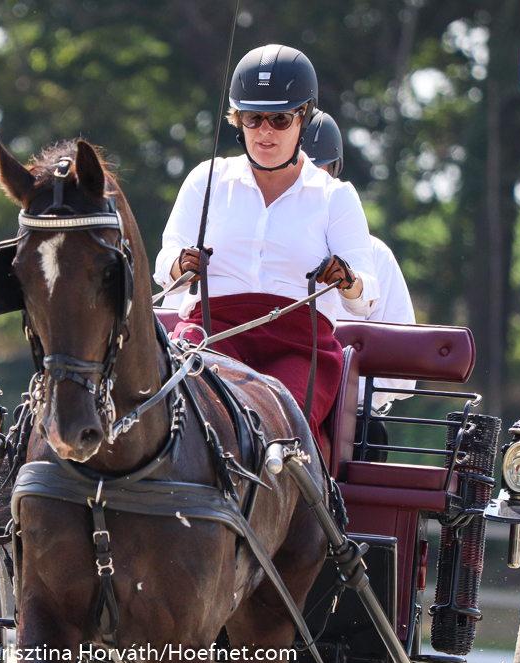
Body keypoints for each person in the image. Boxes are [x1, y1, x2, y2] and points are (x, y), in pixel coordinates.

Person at [153, 44, 379, 443]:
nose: (265, 131)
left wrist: (348, 281)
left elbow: (365, 300)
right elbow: (164, 265)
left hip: (298, 347)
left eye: (279, 118)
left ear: (303, 117)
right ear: (238, 119)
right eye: (253, 118)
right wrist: (179, 265)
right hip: (211, 333)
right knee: (176, 408)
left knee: (278, 429)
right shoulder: (206, 180)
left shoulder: (335, 196)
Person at [301, 110, 416, 460]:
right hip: (257, 394)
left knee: (366, 430)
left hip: (344, 417)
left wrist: (346, 395)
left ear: (332, 174)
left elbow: (401, 375)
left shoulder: (374, 255)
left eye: (313, 175)